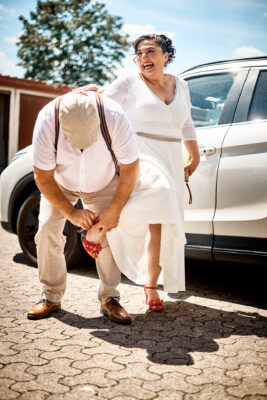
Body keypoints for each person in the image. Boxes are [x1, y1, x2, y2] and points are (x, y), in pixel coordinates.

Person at [81, 34, 200, 311]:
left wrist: (193, 154)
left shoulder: (181, 85)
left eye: (150, 51)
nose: (144, 58)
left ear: (165, 55)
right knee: (161, 193)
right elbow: (102, 104)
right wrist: (88, 91)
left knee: (161, 222)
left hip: (171, 156)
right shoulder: (128, 83)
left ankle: (150, 287)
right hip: (139, 153)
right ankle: (99, 227)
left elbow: (187, 123)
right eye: (139, 53)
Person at [27, 91, 140, 324]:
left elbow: (130, 168)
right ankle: (50, 296)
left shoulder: (115, 117)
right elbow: (42, 177)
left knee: (108, 233)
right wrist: (71, 213)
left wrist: (114, 209)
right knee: (47, 230)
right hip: (61, 184)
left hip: (104, 181)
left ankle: (110, 298)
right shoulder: (47, 120)